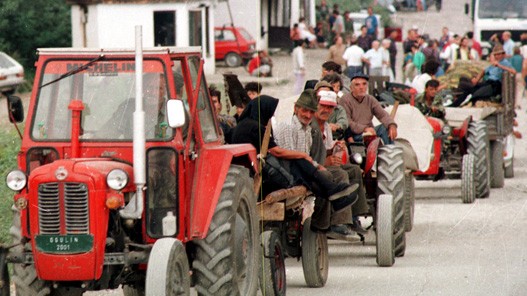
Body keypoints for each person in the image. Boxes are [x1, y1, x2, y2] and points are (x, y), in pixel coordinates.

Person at [232, 93, 359, 217]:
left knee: (302, 166)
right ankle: (333, 193)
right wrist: (303, 156)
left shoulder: (245, 125)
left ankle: (334, 196)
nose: (272, 115)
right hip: (260, 177)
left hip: (255, 173)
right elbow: (277, 151)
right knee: (300, 162)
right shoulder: (255, 127)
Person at [309, 89, 369, 238]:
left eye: (330, 107)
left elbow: (328, 149)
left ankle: (354, 215)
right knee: (341, 174)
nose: (326, 110)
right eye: (323, 106)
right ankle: (338, 222)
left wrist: (336, 148)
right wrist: (326, 161)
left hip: (323, 163)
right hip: (313, 167)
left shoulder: (327, 127)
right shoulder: (311, 126)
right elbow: (307, 156)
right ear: (316, 106)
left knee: (354, 170)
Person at [340, 73, 397, 145]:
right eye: (357, 85)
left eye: (364, 84)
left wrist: (391, 124)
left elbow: (382, 115)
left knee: (385, 127)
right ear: (351, 88)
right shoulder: (345, 100)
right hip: (354, 136)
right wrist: (364, 129)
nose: (361, 87)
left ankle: (389, 151)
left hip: (370, 132)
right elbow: (347, 122)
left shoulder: (370, 99)